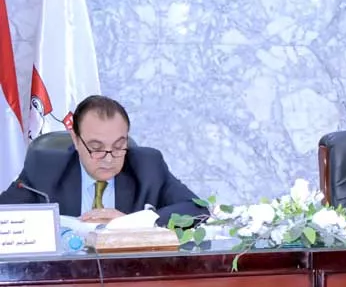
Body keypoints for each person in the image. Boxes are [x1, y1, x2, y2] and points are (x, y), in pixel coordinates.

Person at [0, 95, 206, 226]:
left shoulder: (148, 165)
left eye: (118, 146)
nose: (108, 159)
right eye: (96, 148)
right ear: (76, 139)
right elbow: (4, 215)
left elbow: (197, 209)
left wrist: (132, 223)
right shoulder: (44, 167)